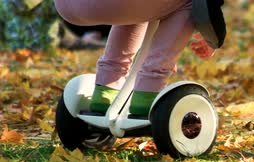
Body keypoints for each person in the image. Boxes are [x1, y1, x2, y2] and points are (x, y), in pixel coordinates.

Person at [53, 0, 226, 116]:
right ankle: (148, 91)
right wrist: (212, 33)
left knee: (144, 9)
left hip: (67, 6)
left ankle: (106, 90)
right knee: (188, 1)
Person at [0, 0, 109, 51]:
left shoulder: (3, 5)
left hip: (16, 52)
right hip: (48, 49)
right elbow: (76, 14)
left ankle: (85, 41)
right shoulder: (47, 3)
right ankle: (85, 41)